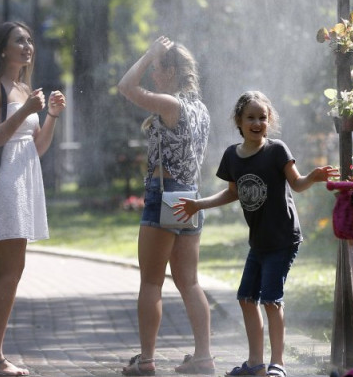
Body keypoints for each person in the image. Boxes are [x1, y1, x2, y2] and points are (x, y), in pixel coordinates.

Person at [174, 91, 338, 377]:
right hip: (259, 241)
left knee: (271, 301)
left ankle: (278, 364)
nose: (257, 122)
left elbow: (297, 184)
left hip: (283, 237)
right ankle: (255, 365)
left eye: (262, 117)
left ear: (269, 120)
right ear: (238, 120)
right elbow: (232, 193)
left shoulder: (277, 150)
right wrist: (199, 204)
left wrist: (313, 177)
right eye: (250, 117)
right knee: (246, 298)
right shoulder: (232, 156)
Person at [117, 35, 214, 376]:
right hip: (191, 198)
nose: (153, 76)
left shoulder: (172, 106)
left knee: (151, 282)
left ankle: (146, 362)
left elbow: (126, 86)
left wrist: (147, 54)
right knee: (189, 282)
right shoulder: (200, 109)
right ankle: (204, 356)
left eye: (157, 70)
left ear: (171, 71)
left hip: (165, 194)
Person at [0, 21, 65, 377]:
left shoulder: (25, 87)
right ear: (2, 50)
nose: (27, 46)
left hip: (26, 179)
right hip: (6, 182)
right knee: (8, 269)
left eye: (29, 40)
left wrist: (51, 116)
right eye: (19, 41)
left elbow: (37, 146)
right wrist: (27, 111)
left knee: (5, 269)